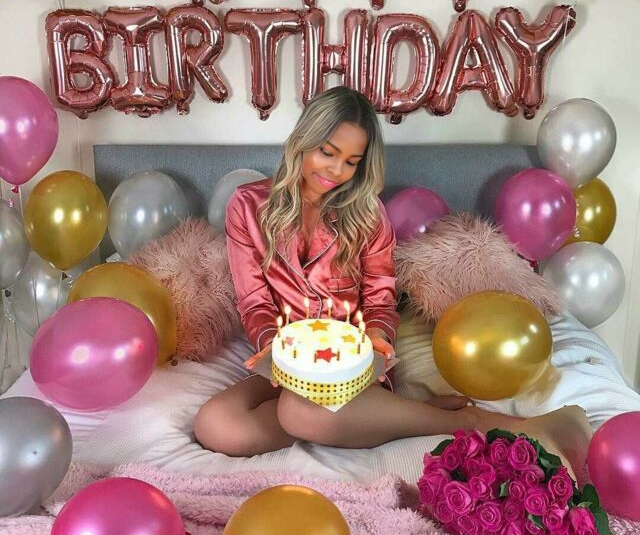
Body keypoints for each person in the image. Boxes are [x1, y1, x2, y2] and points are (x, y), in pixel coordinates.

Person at [194, 87, 592, 478]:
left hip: (351, 368)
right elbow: (254, 301)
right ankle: (386, 418)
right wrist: (271, 347)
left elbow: (380, 302)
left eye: (351, 161)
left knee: (297, 412)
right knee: (216, 425)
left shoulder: (367, 216)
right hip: (287, 361)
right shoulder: (248, 206)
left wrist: (377, 341)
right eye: (327, 153)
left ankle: (468, 421)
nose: (335, 171)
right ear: (303, 141)